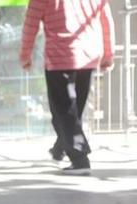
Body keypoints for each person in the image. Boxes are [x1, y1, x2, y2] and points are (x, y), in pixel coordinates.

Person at [20, 0, 115, 175]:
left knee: (63, 112)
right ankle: (60, 149)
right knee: (73, 111)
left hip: (60, 57)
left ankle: (79, 159)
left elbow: (31, 23)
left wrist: (25, 55)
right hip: (88, 55)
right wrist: (108, 53)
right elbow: (106, 20)